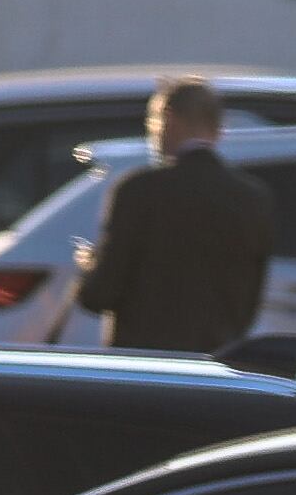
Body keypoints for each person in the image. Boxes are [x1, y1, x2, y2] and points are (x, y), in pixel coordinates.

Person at [77, 76, 275, 354]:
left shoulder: (139, 191)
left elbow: (99, 295)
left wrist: (89, 266)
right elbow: (250, 300)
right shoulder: (254, 197)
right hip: (215, 362)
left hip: (146, 364)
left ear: (168, 120)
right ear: (218, 129)